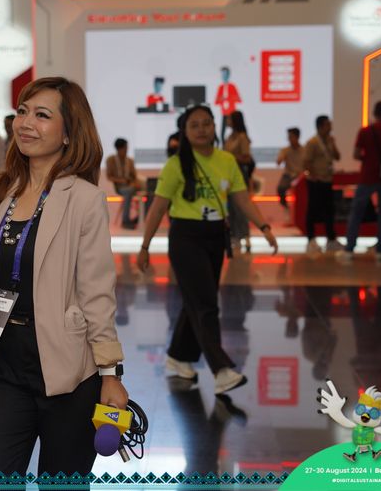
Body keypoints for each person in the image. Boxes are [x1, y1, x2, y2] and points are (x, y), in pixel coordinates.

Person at [0, 77, 128, 477]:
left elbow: (97, 294)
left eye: (42, 115)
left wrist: (111, 375)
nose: (26, 123)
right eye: (22, 111)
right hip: (7, 360)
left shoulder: (84, 200)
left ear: (68, 132)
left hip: (69, 369)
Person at [136, 104, 277, 395]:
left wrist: (264, 227)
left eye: (206, 123)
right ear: (185, 132)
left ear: (215, 127)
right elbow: (158, 207)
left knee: (197, 300)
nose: (201, 129)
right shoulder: (176, 165)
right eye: (194, 125)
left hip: (215, 237)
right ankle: (221, 370)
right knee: (206, 304)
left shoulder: (227, 160)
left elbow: (242, 199)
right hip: (186, 238)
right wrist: (145, 245)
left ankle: (178, 356)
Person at [338, 101, 381, 263]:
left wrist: (368, 159)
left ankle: (349, 249)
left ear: (374, 113)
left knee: (356, 213)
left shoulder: (365, 131)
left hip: (367, 176)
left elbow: (356, 154)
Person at [303, 115, 343, 254]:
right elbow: (306, 162)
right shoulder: (312, 142)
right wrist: (315, 176)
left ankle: (331, 239)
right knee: (312, 210)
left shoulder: (330, 141)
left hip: (327, 180)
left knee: (329, 210)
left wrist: (333, 144)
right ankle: (311, 239)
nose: (330, 127)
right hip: (316, 181)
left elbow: (337, 157)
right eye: (328, 125)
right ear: (320, 127)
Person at [223, 110, 253, 254]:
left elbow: (247, 158)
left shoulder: (242, 137)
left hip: (239, 173)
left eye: (229, 119)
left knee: (241, 206)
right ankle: (235, 236)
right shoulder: (229, 137)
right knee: (230, 208)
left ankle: (245, 236)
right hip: (227, 174)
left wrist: (232, 158)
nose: (227, 121)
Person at [105, 138, 141, 229]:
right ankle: (125, 221)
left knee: (150, 191)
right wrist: (121, 181)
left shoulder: (130, 161)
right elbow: (109, 176)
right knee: (128, 192)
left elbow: (134, 176)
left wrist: (134, 183)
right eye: (125, 148)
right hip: (120, 187)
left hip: (131, 186)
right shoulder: (111, 160)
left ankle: (141, 218)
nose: (126, 150)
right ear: (119, 149)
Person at [276, 127, 304, 211]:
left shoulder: (304, 150)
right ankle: (286, 207)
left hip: (300, 176)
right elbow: (278, 161)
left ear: (297, 137)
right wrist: (281, 158)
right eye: (288, 137)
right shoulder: (285, 150)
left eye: (291, 137)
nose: (289, 139)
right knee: (280, 188)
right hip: (288, 175)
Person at [214, 66, 242, 144]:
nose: (224, 76)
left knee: (235, 131)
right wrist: (222, 99)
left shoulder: (232, 86)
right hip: (224, 113)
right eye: (222, 74)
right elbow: (216, 101)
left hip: (232, 113)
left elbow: (238, 99)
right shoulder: (221, 87)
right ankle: (224, 146)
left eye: (225, 74)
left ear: (228, 75)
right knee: (222, 132)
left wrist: (229, 97)